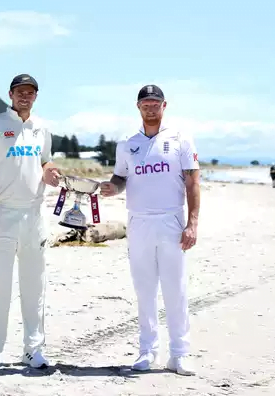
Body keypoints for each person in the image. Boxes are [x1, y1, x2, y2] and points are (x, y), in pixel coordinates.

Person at [100, 84, 200, 376]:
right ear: (138, 106)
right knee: (144, 290)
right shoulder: (127, 144)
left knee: (175, 289)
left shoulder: (181, 139)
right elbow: (120, 178)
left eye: (156, 103)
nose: (151, 107)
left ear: (164, 106)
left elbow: (193, 181)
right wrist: (111, 188)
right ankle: (147, 351)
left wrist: (192, 223)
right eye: (146, 103)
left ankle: (179, 354)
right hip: (139, 222)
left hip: (171, 220)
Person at [0, 74, 60, 369]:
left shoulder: (41, 127)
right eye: (20, 91)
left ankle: (33, 350)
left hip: (35, 214)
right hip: (3, 212)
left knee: (35, 284)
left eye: (31, 92)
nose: (25, 96)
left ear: (36, 96)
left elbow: (45, 160)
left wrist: (50, 171)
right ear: (10, 94)